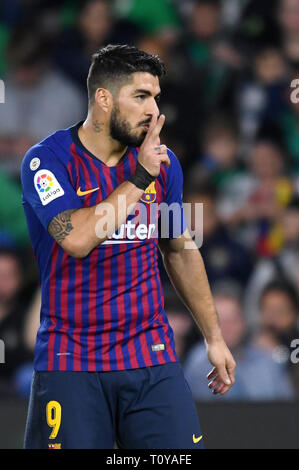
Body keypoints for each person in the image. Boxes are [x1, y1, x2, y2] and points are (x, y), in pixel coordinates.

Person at [21, 44, 235, 450]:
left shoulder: (162, 163)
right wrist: (139, 178)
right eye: (140, 96)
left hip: (149, 353)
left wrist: (214, 336)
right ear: (103, 99)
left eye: (156, 97)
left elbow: (179, 248)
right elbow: (78, 240)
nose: (153, 110)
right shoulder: (46, 162)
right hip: (72, 360)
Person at [184, 289, 295, 401]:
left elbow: (287, 407)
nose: (227, 327)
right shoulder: (196, 363)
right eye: (219, 320)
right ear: (206, 325)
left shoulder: (267, 362)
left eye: (233, 319)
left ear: (243, 322)